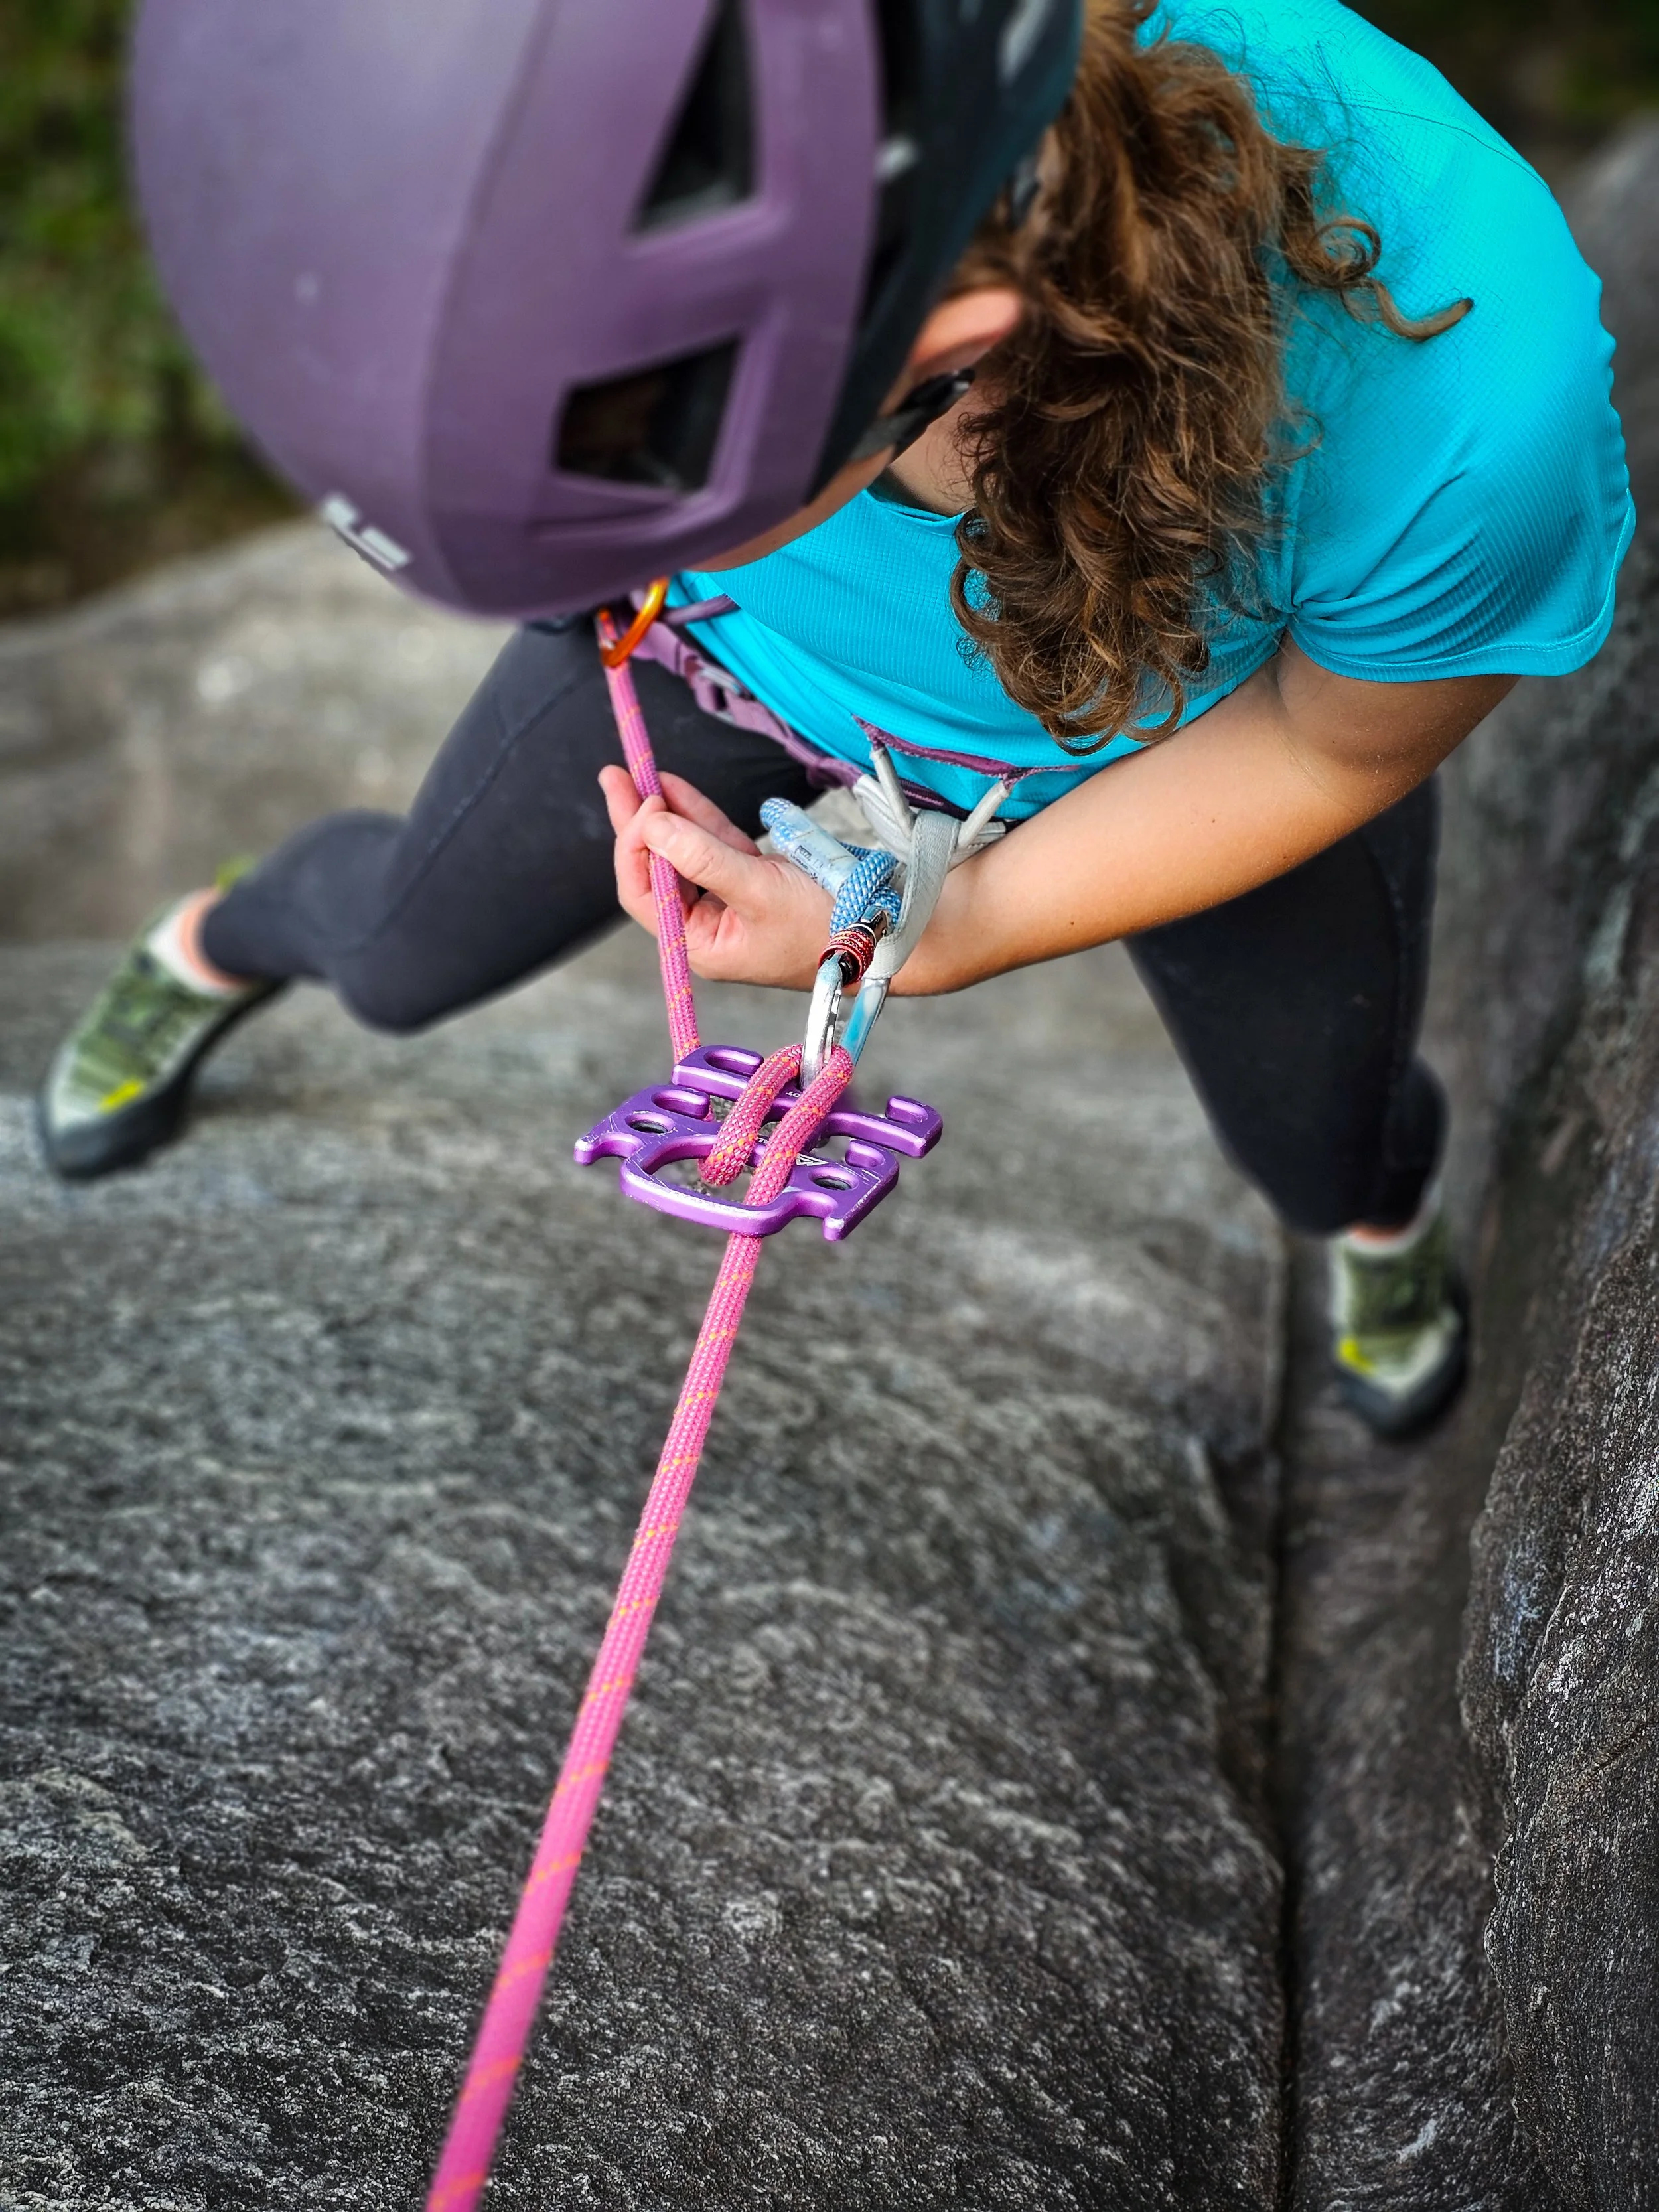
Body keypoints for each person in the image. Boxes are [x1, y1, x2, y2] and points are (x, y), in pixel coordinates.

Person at [40, 0, 1632, 1439]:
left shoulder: (1458, 381)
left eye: (614, 501)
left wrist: (968, 916)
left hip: (1186, 735)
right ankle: (210, 942)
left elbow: (1326, 743)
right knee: (393, 963)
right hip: (733, 661)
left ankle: (1377, 1220)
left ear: (935, 359)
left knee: (1320, 1144)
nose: (584, 559)